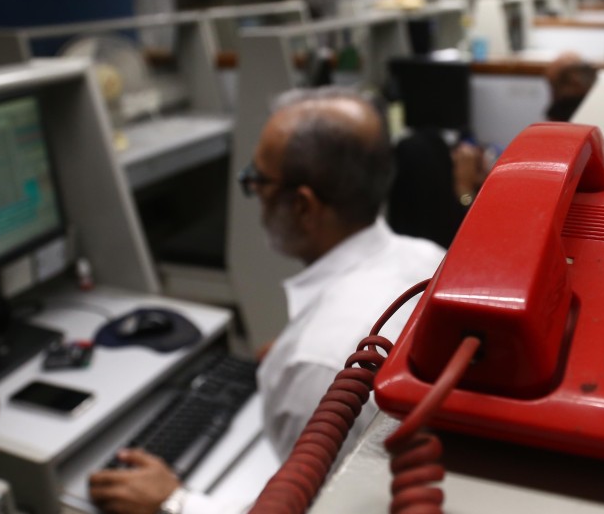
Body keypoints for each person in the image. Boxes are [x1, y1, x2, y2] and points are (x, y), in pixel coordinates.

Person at [88, 87, 447, 514]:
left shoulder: (320, 363)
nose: (253, 193)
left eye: (255, 181)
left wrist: (174, 503)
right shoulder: (426, 255)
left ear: (302, 206)